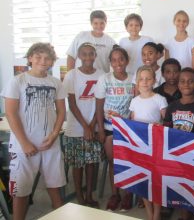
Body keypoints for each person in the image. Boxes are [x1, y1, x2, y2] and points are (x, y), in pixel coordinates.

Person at [1, 43, 66, 220]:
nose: (42, 61)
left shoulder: (56, 82)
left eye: (47, 58)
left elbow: (61, 111)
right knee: (20, 190)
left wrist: (54, 135)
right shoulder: (17, 81)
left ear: (52, 61)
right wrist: (25, 143)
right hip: (23, 145)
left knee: (55, 186)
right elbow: (10, 112)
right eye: (38, 57)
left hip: (50, 143)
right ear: (30, 58)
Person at [63, 43, 104, 207]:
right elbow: (72, 104)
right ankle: (79, 194)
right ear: (79, 56)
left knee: (92, 162)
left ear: (95, 56)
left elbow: (101, 103)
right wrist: (85, 127)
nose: (88, 57)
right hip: (75, 127)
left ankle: (89, 195)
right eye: (84, 54)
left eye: (91, 54)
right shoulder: (71, 75)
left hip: (93, 125)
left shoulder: (102, 74)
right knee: (78, 163)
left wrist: (92, 125)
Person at [95, 45, 134, 212]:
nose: (118, 63)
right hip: (109, 127)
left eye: (121, 59)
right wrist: (101, 130)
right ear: (110, 62)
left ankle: (127, 194)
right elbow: (99, 106)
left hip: (128, 129)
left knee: (129, 163)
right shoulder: (105, 79)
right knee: (113, 163)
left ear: (127, 60)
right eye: (114, 60)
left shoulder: (133, 78)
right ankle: (115, 194)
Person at [163, 67, 194, 220]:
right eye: (182, 81)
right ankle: (184, 214)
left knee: (193, 185)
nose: (186, 84)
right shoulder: (172, 106)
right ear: (178, 84)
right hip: (175, 154)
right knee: (179, 184)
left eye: (190, 81)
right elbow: (166, 129)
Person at [129, 65, 168, 220]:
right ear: (137, 82)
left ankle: (157, 214)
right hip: (140, 147)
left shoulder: (160, 99)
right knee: (143, 179)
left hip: (156, 146)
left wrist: (160, 126)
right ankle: (149, 213)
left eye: (148, 79)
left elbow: (167, 122)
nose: (144, 82)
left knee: (156, 181)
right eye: (141, 79)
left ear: (154, 81)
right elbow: (131, 123)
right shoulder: (134, 101)